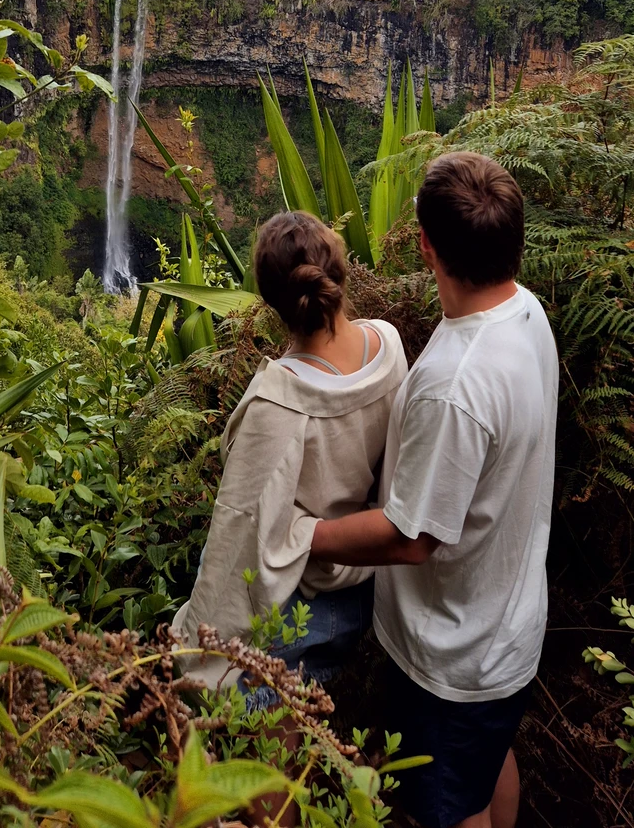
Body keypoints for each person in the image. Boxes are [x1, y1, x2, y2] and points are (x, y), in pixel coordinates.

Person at [310, 152, 558, 828]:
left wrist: (301, 535)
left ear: (424, 245)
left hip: (452, 653)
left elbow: (410, 536)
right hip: (504, 624)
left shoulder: (457, 383)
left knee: (446, 810)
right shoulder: (525, 314)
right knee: (485, 766)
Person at [172, 210, 407, 694]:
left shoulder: (277, 402)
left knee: (256, 699)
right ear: (337, 273)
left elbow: (237, 532)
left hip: (309, 603)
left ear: (272, 303)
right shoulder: (388, 344)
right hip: (369, 583)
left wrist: (195, 654)